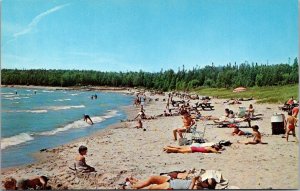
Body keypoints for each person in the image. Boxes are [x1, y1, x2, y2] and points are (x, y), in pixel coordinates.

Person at [126, 175, 215, 189]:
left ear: (207, 186)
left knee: (151, 188)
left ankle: (133, 185)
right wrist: (195, 179)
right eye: (207, 179)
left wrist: (194, 181)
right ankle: (136, 182)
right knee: (151, 178)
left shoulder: (198, 188)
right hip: (170, 180)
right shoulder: (198, 182)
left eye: (207, 181)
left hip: (170, 186)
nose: (205, 180)